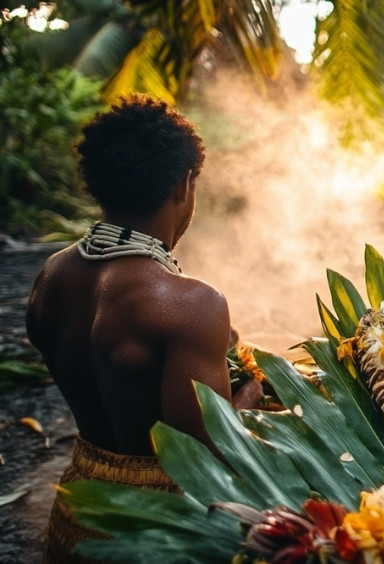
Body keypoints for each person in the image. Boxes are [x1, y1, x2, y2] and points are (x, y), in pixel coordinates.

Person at [27, 94, 262, 563]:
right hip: (165, 526)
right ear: (184, 183)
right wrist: (253, 388)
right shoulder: (193, 304)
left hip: (80, 512)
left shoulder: (52, 277)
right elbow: (206, 453)